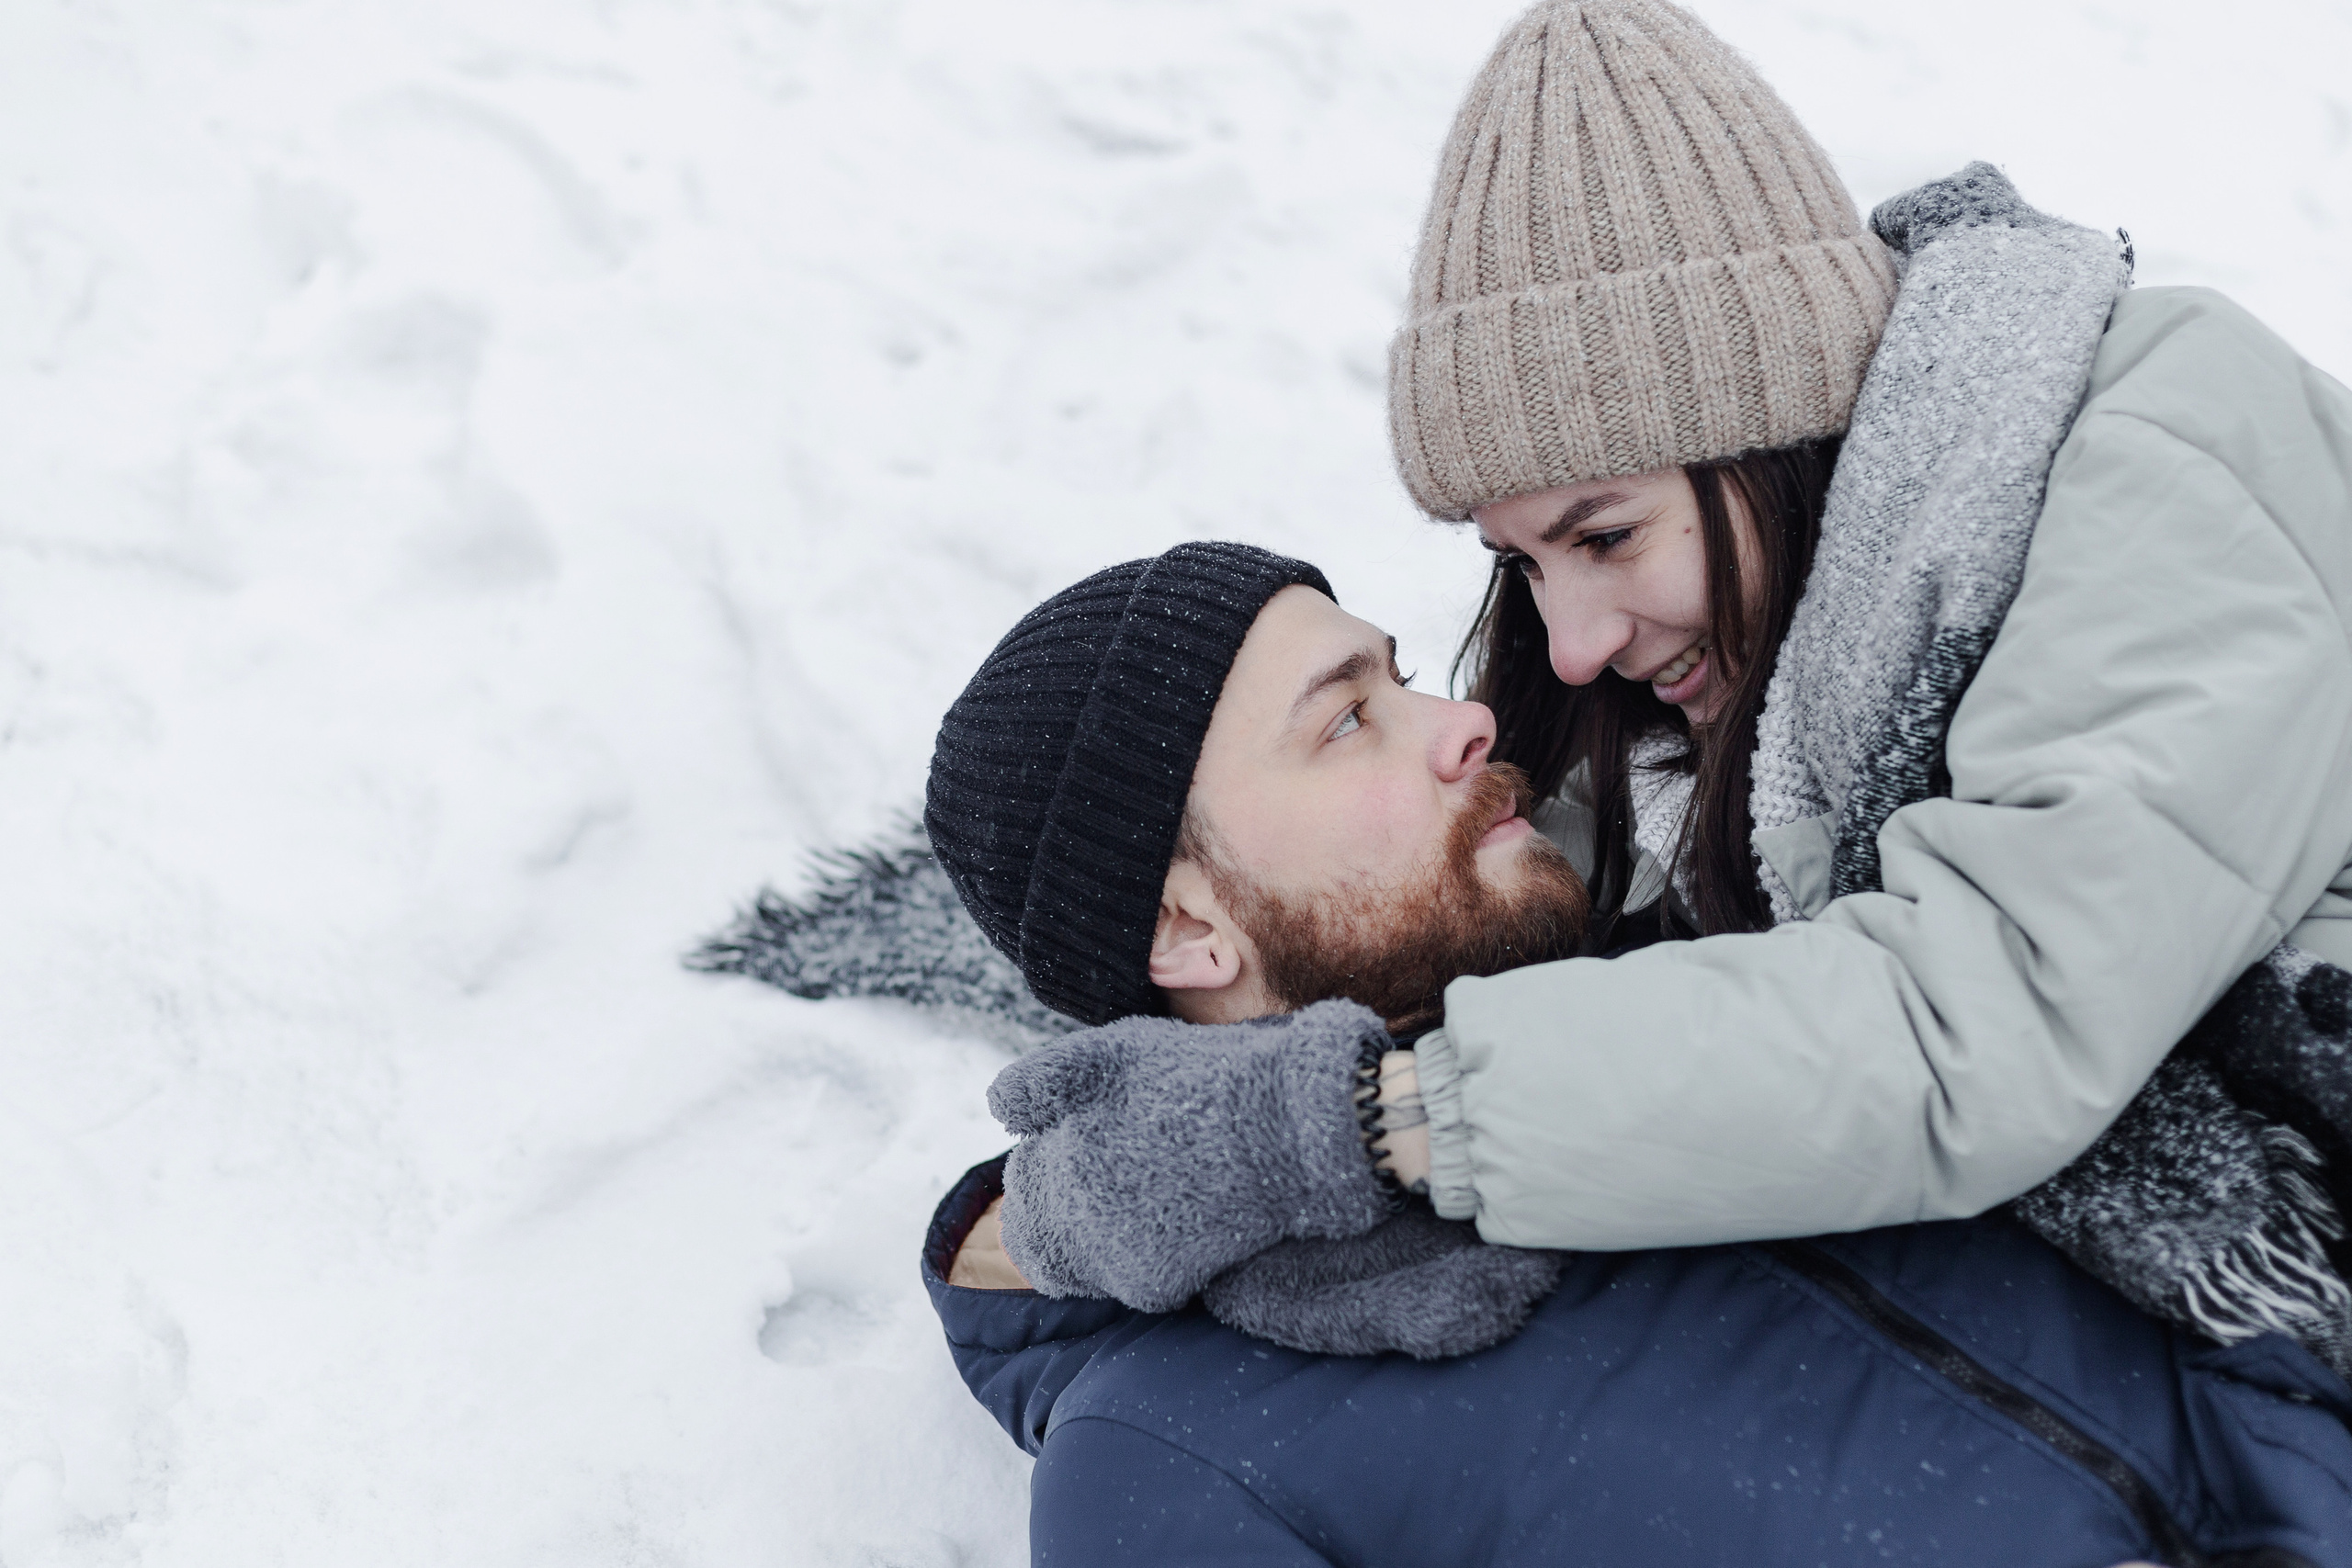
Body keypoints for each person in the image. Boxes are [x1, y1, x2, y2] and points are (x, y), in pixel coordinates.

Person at [978, 0, 2352, 1371]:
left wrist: (1368, 1126)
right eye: (1521, 562)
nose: (1570, 642)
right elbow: (1495, 883)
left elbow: (1980, 1025)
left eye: (1606, 535)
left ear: (1782, 436)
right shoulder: (1796, 632)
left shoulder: (2162, 468)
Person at [911, 541, 2352, 1565]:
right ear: (1186, 928)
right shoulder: (1170, 1453)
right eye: (1350, 719)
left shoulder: (1780, 975)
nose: (1466, 717)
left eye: (1405, 678)